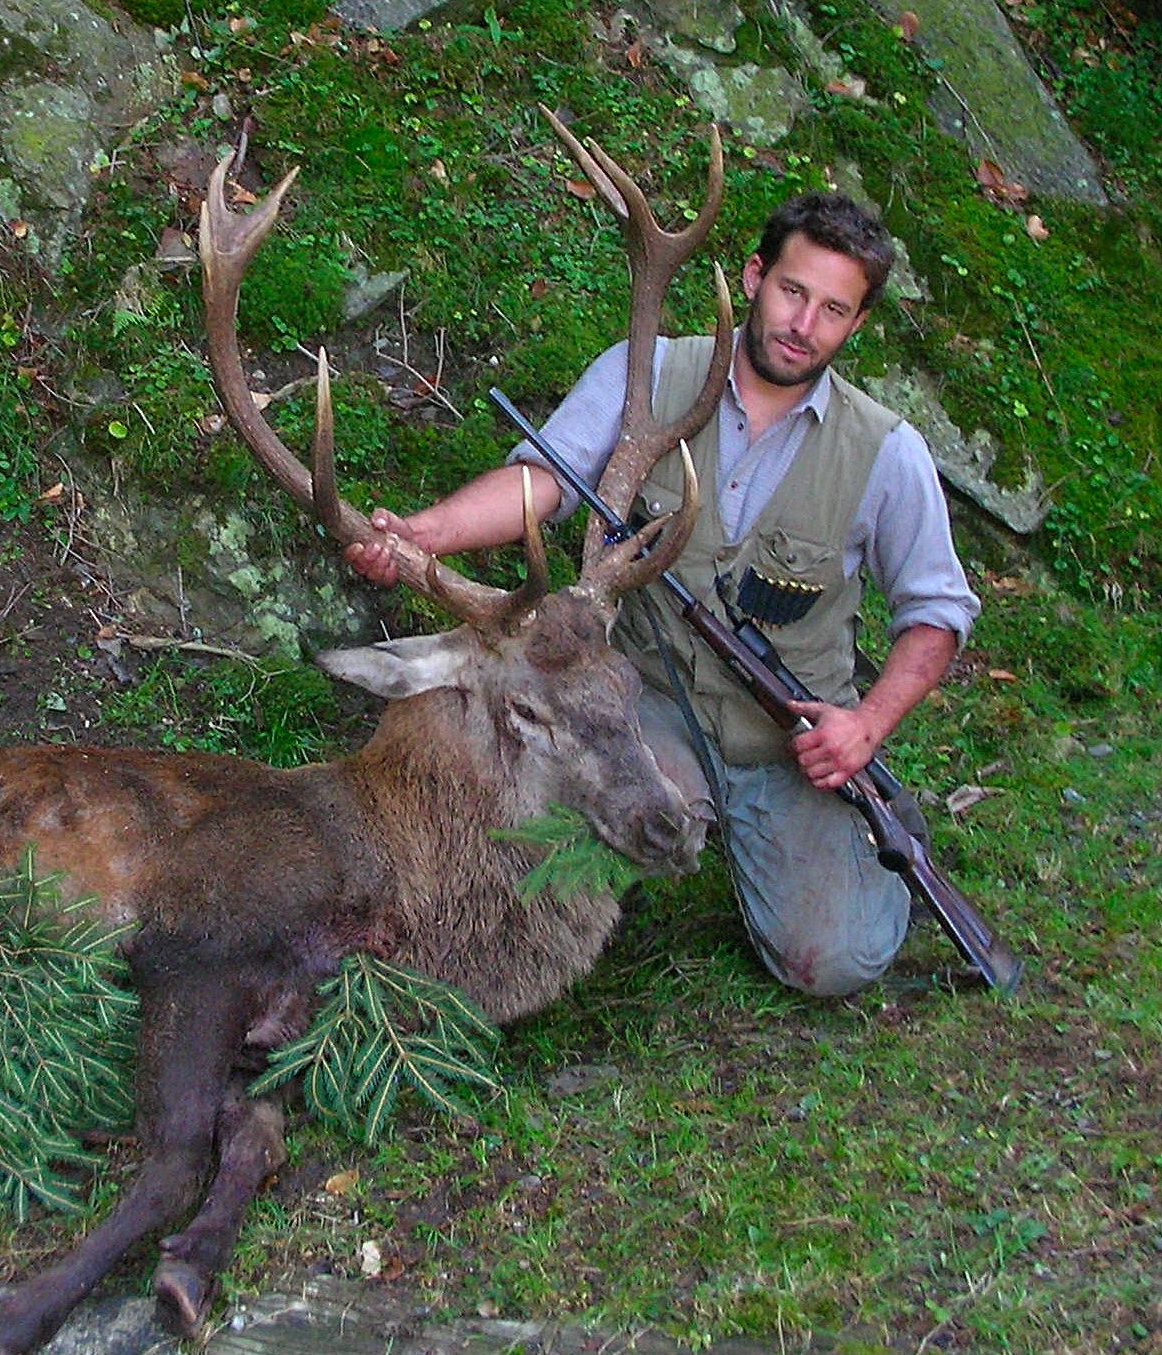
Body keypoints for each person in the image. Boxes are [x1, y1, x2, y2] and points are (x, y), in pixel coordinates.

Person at [345, 192, 980, 997]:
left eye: (831, 309)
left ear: (853, 326)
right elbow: (546, 481)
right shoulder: (646, 374)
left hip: (790, 739)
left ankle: (867, 854)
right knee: (538, 785)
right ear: (753, 277)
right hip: (639, 709)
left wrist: (865, 726)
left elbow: (937, 614)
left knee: (830, 962)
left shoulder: (886, 452)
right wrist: (424, 535)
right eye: (791, 291)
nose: (802, 323)